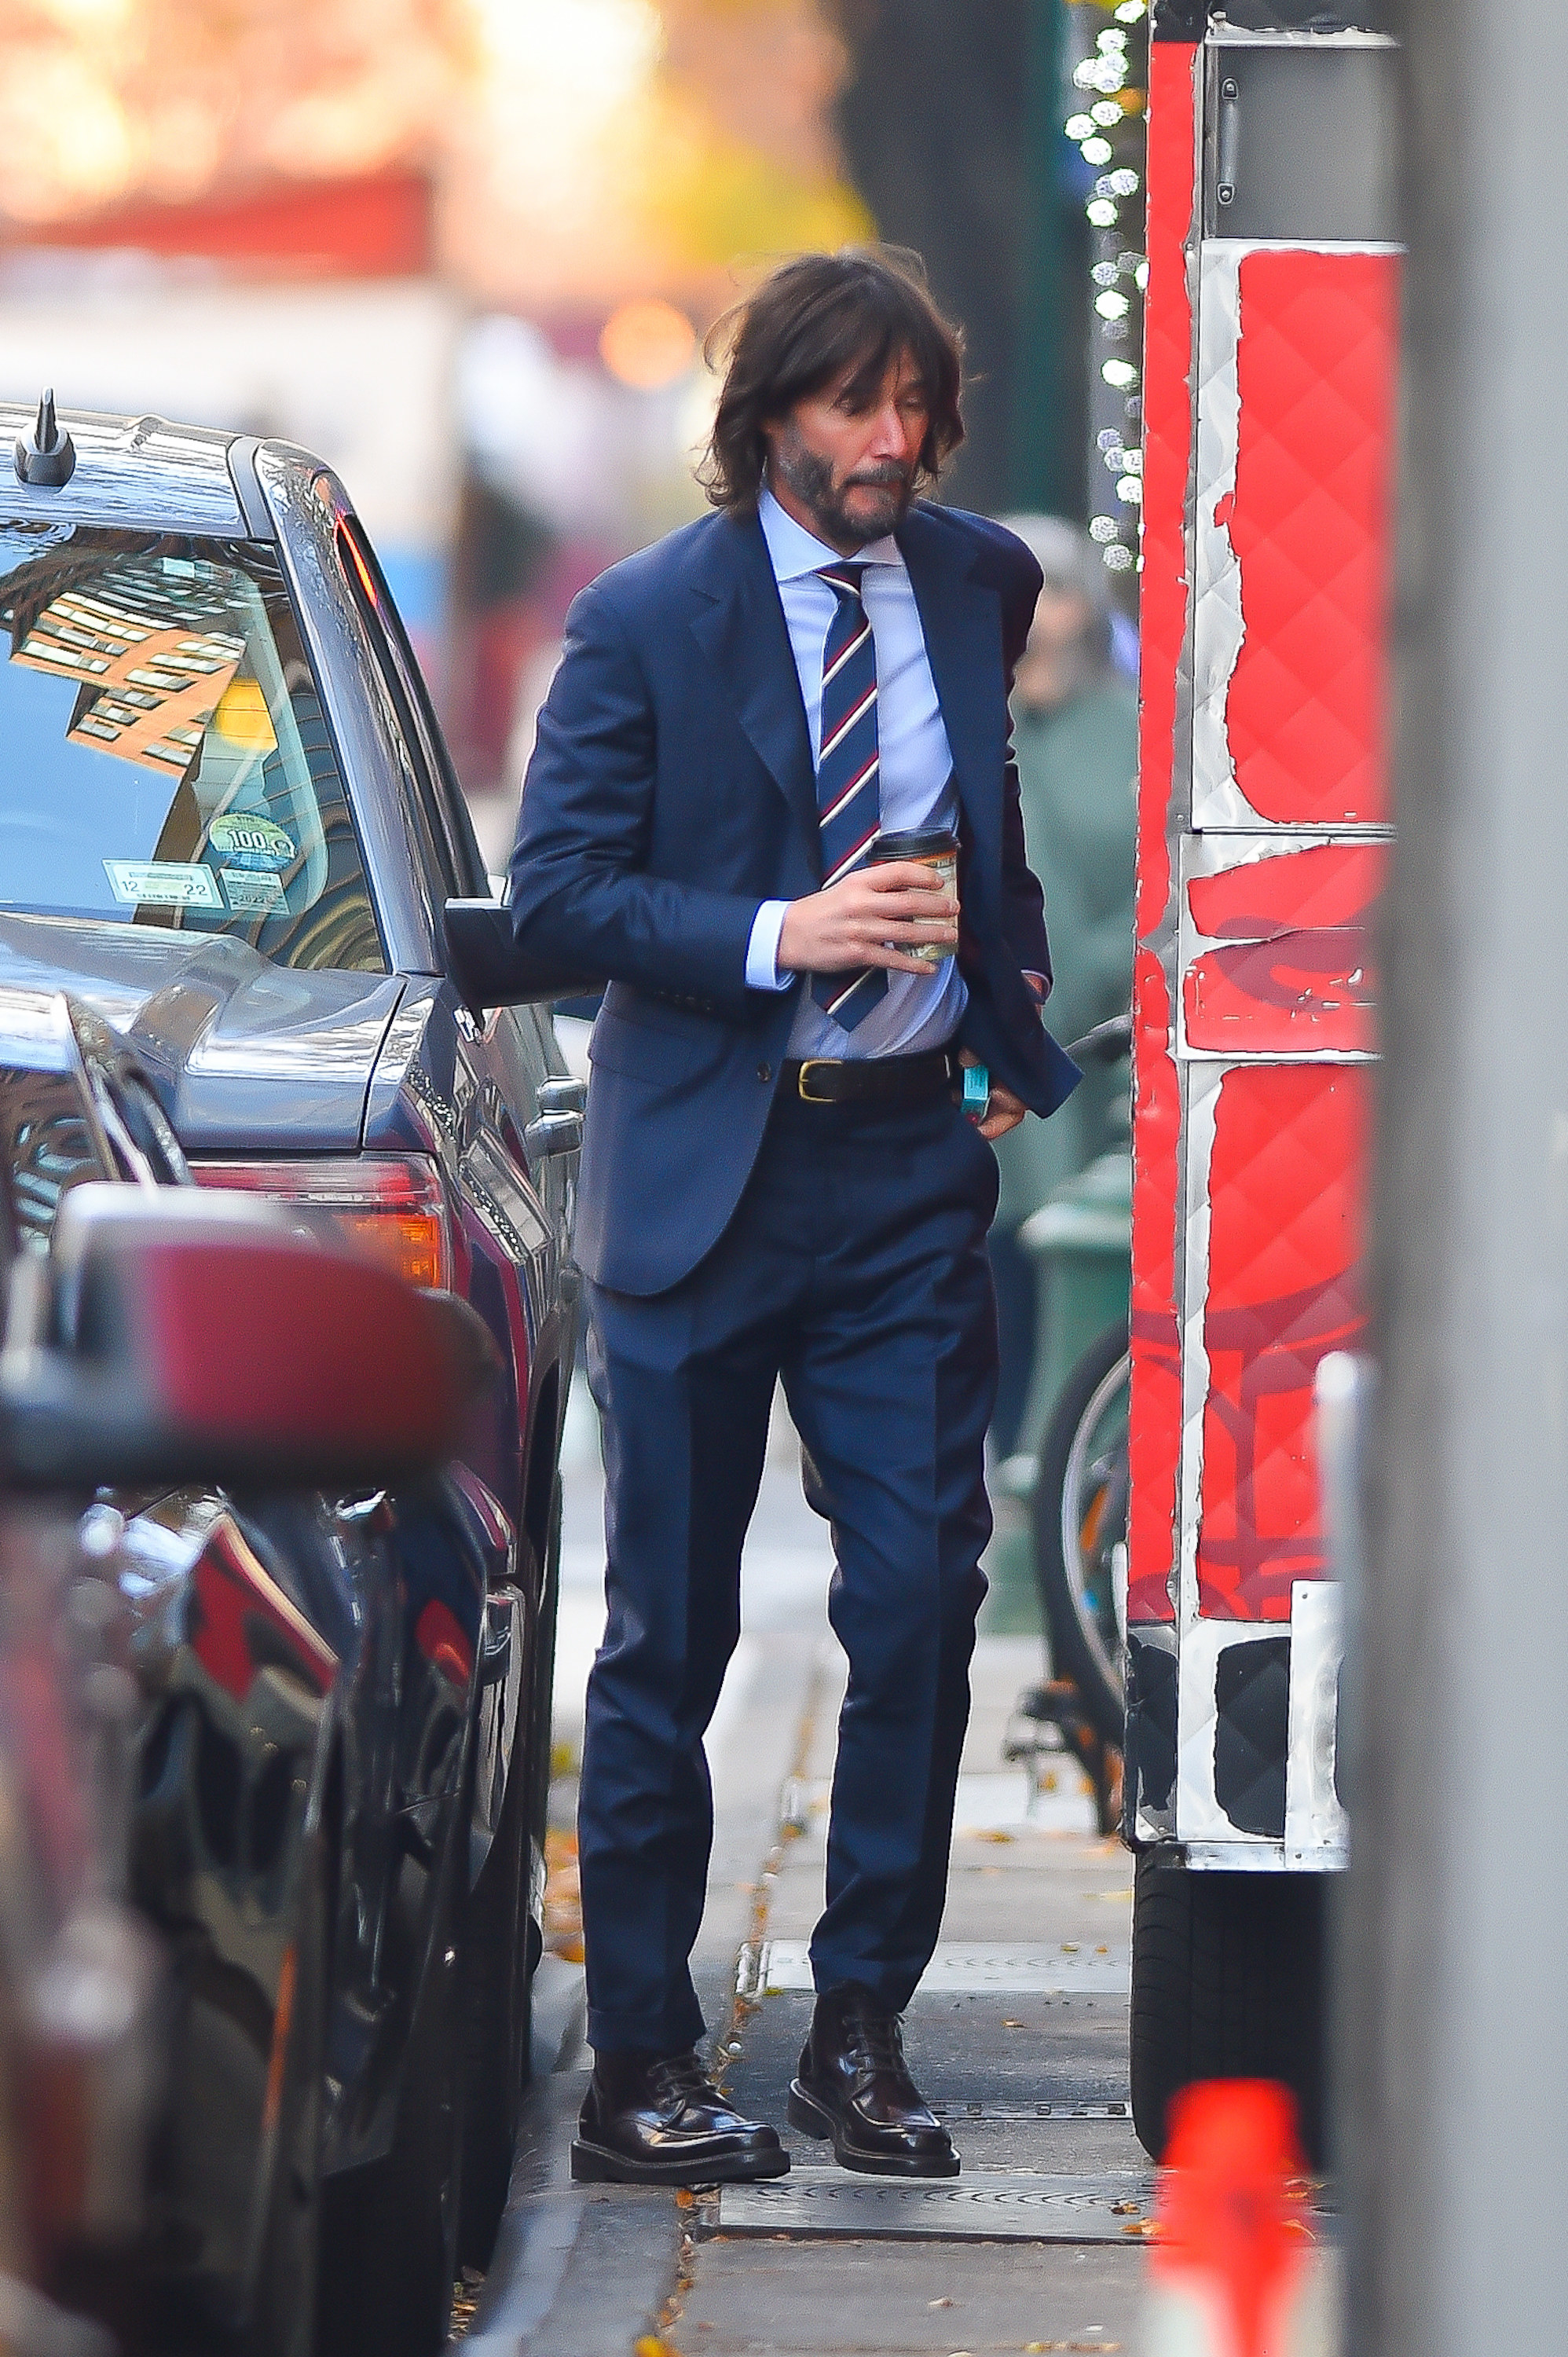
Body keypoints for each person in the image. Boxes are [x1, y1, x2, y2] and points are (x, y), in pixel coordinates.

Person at [507, 247, 1078, 2189]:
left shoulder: (977, 577)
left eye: (916, 409)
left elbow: (978, 801)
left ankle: (858, 2025)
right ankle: (645, 2055)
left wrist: (1000, 989)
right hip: (698, 1176)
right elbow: (558, 896)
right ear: (768, 416)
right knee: (668, 1635)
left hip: (909, 1169)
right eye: (853, 408)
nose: (891, 445)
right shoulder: (644, 619)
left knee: (920, 1591)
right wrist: (781, 934)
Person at [984, 517, 1138, 1461]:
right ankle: (999, 1460)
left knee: (1071, 1262)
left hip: (1089, 1036)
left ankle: (1051, 1465)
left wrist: (1086, 977)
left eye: (1055, 593)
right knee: (984, 1256)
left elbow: (1152, 880)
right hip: (981, 1035)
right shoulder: (971, 714)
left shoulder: (1125, 729)